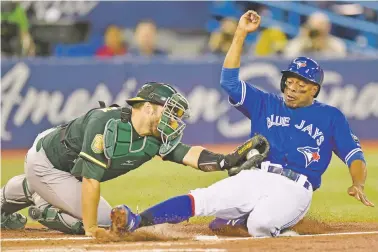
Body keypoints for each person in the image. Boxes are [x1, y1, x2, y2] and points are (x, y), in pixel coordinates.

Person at [109, 10, 374, 238]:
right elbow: (230, 83)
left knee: (261, 225)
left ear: (314, 89)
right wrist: (240, 33)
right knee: (203, 198)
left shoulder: (331, 116)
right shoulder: (266, 103)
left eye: (301, 84)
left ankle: (250, 221)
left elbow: (354, 155)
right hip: (256, 175)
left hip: (296, 188)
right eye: (290, 81)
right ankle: (136, 220)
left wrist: (358, 183)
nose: (292, 88)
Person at [0, 82, 258, 240]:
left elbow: (187, 154)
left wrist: (225, 161)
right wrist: (90, 229)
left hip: (61, 163)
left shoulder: (154, 136)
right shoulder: (108, 125)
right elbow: (90, 179)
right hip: (48, 163)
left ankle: (22, 191)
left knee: (81, 198)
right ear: (147, 107)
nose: (174, 121)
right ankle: (39, 199)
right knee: (101, 222)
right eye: (168, 112)